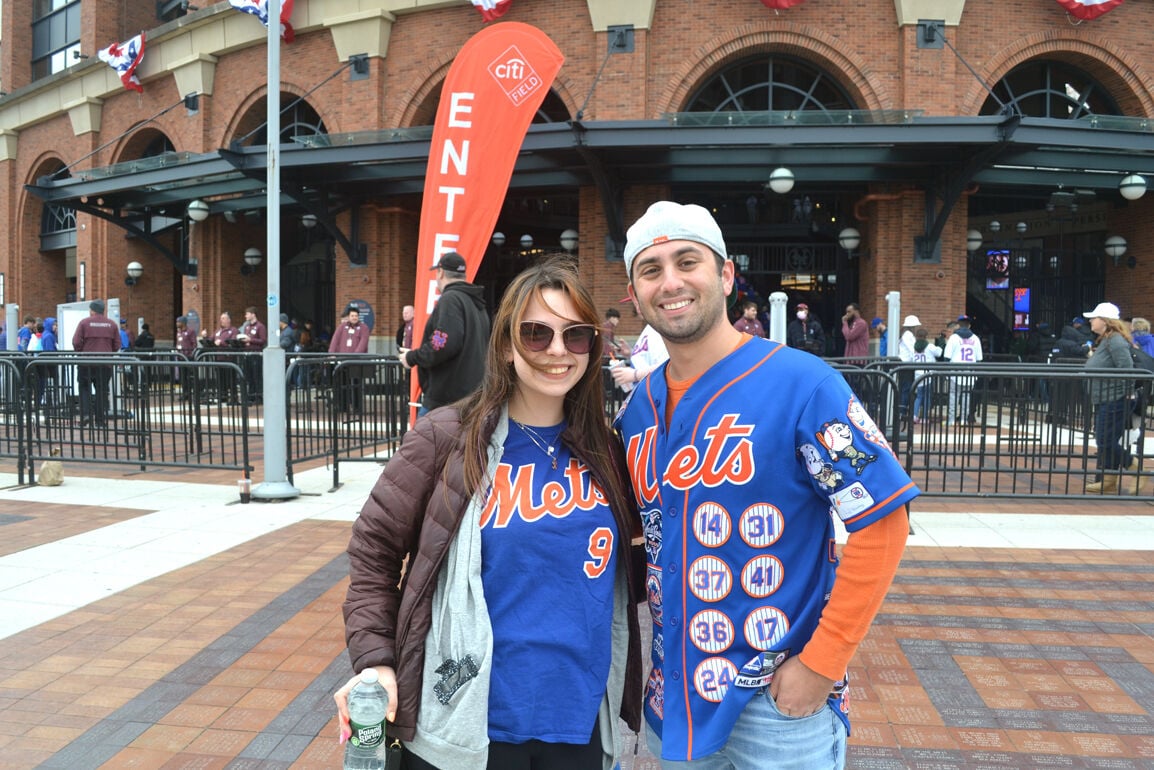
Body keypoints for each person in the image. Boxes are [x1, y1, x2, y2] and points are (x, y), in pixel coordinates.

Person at [615, 201, 917, 768]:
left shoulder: (801, 382)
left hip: (777, 699)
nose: (671, 282)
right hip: (676, 698)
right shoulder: (636, 411)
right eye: (650, 270)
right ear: (634, 293)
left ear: (726, 275)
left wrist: (823, 664)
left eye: (687, 261)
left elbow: (883, 520)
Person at [336, 258, 642, 769]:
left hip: (577, 716)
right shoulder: (446, 436)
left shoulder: (607, 450)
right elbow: (374, 551)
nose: (558, 351)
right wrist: (376, 661)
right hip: (467, 719)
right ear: (505, 344)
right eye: (536, 334)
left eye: (576, 335)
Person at [399, 252, 490, 416]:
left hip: (445, 400)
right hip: (471, 397)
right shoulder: (476, 304)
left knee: (423, 440)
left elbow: (442, 343)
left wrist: (412, 357)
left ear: (440, 272)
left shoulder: (450, 299)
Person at [1083, 302, 1141, 495]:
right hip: (1106, 398)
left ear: (1105, 321)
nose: (1091, 320)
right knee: (1104, 440)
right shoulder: (1107, 340)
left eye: (1094, 317)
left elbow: (1126, 368)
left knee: (1105, 439)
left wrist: (1126, 393)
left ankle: (1136, 468)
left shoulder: (1115, 340)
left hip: (1115, 398)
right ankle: (1108, 481)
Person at [72, 300, 120, 427]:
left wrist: (81, 352)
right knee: (102, 391)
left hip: (86, 362)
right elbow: (117, 345)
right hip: (105, 363)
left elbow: (76, 342)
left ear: (92, 310)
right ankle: (100, 420)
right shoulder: (112, 324)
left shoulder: (84, 323)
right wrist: (108, 353)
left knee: (84, 388)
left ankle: (86, 415)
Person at [942, 314, 984, 426]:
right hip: (970, 372)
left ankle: (951, 420)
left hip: (955, 372)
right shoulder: (975, 338)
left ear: (958, 325)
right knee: (966, 396)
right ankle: (963, 419)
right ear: (969, 325)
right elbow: (979, 359)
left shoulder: (954, 338)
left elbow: (947, 357)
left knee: (953, 396)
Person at [329, 303, 371, 414]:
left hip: (356, 362)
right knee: (343, 384)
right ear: (348, 316)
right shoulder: (342, 327)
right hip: (342, 361)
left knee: (356, 385)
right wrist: (331, 353)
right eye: (352, 316)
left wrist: (355, 355)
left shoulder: (364, 328)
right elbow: (335, 339)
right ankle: (343, 407)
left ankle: (357, 408)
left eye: (356, 316)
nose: (354, 318)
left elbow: (363, 343)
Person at [610, 322, 668, 391]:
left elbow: (668, 365)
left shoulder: (663, 326)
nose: (638, 310)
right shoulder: (650, 327)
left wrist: (634, 375)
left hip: (656, 393)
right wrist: (630, 353)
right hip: (644, 392)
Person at [911, 328, 942, 424]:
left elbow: (912, 359)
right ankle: (924, 418)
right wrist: (940, 344)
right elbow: (939, 353)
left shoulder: (914, 347)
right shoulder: (929, 346)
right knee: (927, 396)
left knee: (919, 396)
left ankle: (914, 415)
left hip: (917, 375)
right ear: (925, 337)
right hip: (928, 374)